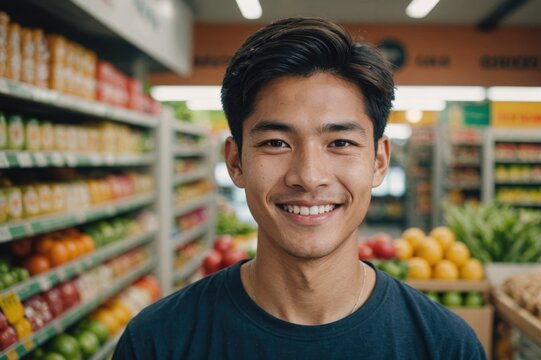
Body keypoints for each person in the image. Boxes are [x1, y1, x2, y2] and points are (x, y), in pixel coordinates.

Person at [113, 17, 486, 359]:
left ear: (379, 161)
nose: (308, 176)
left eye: (340, 143)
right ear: (235, 162)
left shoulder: (446, 346)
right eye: (276, 142)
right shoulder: (157, 342)